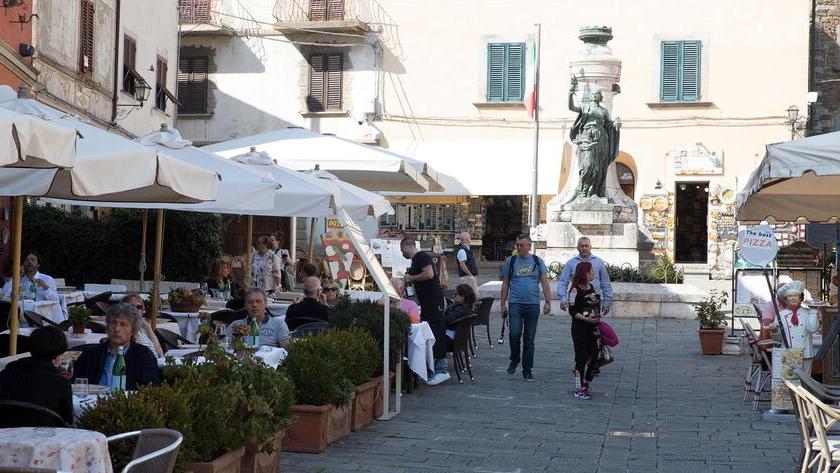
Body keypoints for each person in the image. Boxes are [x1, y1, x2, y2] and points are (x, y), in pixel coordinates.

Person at [500, 234, 551, 381]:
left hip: (533, 304)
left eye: (521, 245)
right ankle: (515, 358)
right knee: (514, 333)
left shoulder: (537, 261)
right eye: (517, 245)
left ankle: (527, 370)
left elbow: (545, 282)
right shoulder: (511, 261)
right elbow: (505, 283)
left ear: (529, 246)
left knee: (529, 339)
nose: (518, 247)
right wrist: (502, 304)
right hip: (515, 303)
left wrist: (548, 301)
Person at [73, 303, 160, 390]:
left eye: (123, 324)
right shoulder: (90, 355)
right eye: (113, 323)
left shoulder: (143, 356)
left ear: (133, 330)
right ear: (107, 327)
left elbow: (150, 390)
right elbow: (74, 386)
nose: (117, 329)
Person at [0, 326, 73, 424]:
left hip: (7, 429)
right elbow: (68, 419)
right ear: (58, 354)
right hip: (46, 431)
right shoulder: (60, 383)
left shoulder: (6, 374)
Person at [402, 237, 450, 385]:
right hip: (427, 302)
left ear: (405, 247)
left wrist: (411, 278)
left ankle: (442, 370)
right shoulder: (416, 260)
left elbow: (429, 274)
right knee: (431, 334)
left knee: (437, 332)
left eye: (402, 250)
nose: (402, 253)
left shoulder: (421, 256)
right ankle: (432, 367)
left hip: (433, 301)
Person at [568, 76, 622, 199]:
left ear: (601, 97)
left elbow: (608, 125)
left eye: (598, 93)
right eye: (594, 93)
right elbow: (571, 107)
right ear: (592, 96)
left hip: (601, 139)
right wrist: (571, 92)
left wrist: (616, 125)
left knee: (599, 168)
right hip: (587, 137)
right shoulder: (585, 108)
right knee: (588, 165)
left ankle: (594, 192)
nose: (596, 95)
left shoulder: (604, 111)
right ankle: (583, 191)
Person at [769, 280, 820, 373]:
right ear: (785, 299)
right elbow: (778, 339)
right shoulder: (780, 315)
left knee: (806, 379)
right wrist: (774, 331)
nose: (793, 298)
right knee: (790, 379)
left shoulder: (808, 312)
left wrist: (814, 310)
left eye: (796, 295)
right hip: (788, 353)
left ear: (800, 298)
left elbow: (812, 329)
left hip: (806, 353)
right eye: (790, 296)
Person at [567, 262, 601, 400]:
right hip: (580, 328)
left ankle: (586, 382)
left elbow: (592, 305)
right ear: (585, 273)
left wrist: (596, 315)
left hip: (593, 328)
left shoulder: (591, 287)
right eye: (592, 270)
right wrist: (587, 319)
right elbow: (573, 311)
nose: (594, 273)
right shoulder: (574, 290)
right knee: (581, 358)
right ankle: (579, 388)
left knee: (595, 356)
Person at [558, 237, 613, 316]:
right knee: (580, 321)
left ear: (590, 247)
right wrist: (563, 298)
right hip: (578, 301)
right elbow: (563, 281)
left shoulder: (599, 262)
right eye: (582, 246)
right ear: (577, 248)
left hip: (594, 300)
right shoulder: (571, 263)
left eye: (586, 246)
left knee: (593, 321)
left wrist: (607, 302)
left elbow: (605, 283)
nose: (584, 248)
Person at [225, 288, 290, 348]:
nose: (254, 305)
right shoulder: (236, 325)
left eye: (258, 301)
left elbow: (286, 350)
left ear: (265, 303)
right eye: (250, 302)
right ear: (245, 305)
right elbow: (224, 347)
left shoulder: (278, 324)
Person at [444, 283, 477, 348]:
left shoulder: (460, 309)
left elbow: (446, 321)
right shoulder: (468, 307)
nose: (453, 296)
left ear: (463, 297)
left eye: (455, 294)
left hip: (449, 340)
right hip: (458, 339)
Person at [455, 232, 480, 296]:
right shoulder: (462, 250)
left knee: (472, 295)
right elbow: (462, 264)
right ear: (465, 239)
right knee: (474, 295)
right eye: (469, 238)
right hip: (467, 277)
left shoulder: (465, 249)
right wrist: (470, 275)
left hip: (468, 276)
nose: (470, 240)